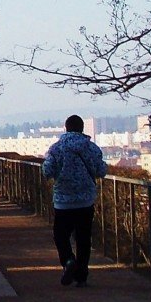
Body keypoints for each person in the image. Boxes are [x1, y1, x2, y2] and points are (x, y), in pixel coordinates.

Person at [43, 115, 107, 286]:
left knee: (60, 235)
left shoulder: (56, 148)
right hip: (86, 200)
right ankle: (82, 276)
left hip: (63, 201)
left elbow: (47, 171)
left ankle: (68, 260)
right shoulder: (92, 148)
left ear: (66, 128)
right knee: (84, 238)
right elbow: (101, 171)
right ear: (82, 128)